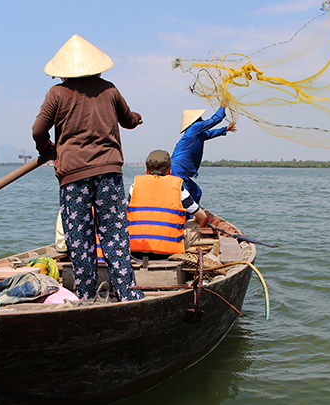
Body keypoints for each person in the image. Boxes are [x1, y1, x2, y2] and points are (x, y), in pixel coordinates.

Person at [32, 34, 143, 301]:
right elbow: (128, 120)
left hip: (73, 175)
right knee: (114, 232)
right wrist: (137, 119)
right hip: (108, 172)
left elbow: (38, 130)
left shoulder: (57, 93)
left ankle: (85, 294)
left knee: (79, 236)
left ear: (63, 73)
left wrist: (47, 150)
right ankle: (127, 292)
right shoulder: (109, 90)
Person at [128, 150, 207, 258]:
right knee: (194, 224)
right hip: (169, 254)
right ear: (170, 171)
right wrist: (193, 221)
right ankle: (178, 249)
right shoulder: (179, 189)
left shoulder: (134, 187)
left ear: (147, 170)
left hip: (136, 253)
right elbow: (202, 216)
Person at [171, 105, 236, 204]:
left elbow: (209, 134)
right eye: (200, 119)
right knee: (186, 196)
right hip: (178, 169)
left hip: (180, 169)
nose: (202, 120)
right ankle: (183, 217)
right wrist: (223, 106)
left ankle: (190, 216)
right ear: (196, 121)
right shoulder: (194, 128)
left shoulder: (196, 134)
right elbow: (216, 119)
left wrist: (225, 129)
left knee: (196, 193)